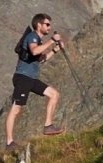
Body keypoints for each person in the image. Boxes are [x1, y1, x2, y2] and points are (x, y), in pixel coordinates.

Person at [6, 13, 64, 148]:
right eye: (47, 24)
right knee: (16, 109)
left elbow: (41, 59)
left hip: (31, 78)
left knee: (54, 94)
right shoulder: (32, 37)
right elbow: (35, 51)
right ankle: (9, 142)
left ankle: (48, 126)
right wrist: (52, 41)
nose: (49, 27)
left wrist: (56, 50)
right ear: (39, 25)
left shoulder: (38, 40)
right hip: (23, 77)